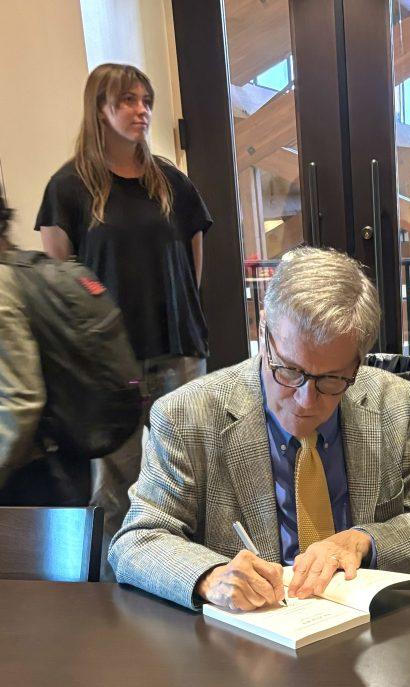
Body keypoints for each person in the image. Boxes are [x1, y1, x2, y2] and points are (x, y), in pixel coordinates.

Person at [109, 247, 410, 611]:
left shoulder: (394, 403)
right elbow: (138, 540)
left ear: (359, 361)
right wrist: (212, 577)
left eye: (332, 379)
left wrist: (363, 540)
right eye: (289, 371)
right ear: (264, 331)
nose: (306, 400)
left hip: (368, 626)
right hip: (254, 635)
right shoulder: (188, 415)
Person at [34, 63, 211, 574]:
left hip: (177, 352)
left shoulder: (172, 184)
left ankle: (188, 583)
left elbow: (192, 265)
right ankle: (119, 592)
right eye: (127, 101)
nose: (141, 111)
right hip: (108, 365)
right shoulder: (68, 188)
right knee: (119, 490)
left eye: (145, 100)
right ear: (100, 109)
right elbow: (60, 284)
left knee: (186, 483)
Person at [0, 193, 90, 505]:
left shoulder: (2, 285)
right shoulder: (30, 268)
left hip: (29, 476)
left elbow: (21, 400)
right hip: (65, 458)